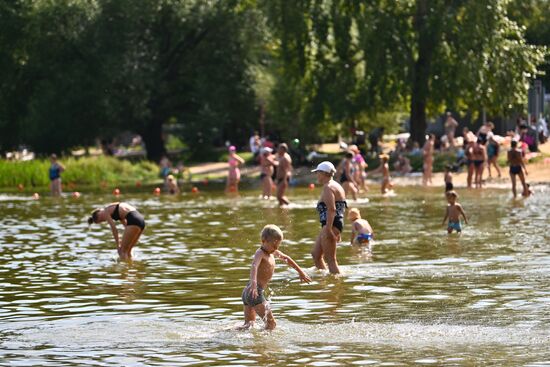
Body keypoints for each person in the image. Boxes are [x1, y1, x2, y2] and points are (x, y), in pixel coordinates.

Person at [239, 224, 311, 330]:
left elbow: (287, 258)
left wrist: (301, 272)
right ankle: (268, 346)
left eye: (278, 246)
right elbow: (254, 266)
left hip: (249, 292)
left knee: (249, 326)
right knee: (271, 325)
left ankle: (224, 333)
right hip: (254, 292)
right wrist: (254, 284)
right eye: (274, 245)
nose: (276, 248)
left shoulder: (273, 252)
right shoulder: (260, 253)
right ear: (264, 241)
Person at [311, 161, 347, 275]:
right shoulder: (336, 185)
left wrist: (329, 230)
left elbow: (332, 209)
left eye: (317, 172)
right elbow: (341, 208)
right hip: (333, 224)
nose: (316, 175)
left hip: (330, 225)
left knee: (331, 260)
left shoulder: (328, 187)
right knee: (316, 255)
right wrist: (337, 229)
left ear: (323, 173)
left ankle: (336, 284)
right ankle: (325, 278)